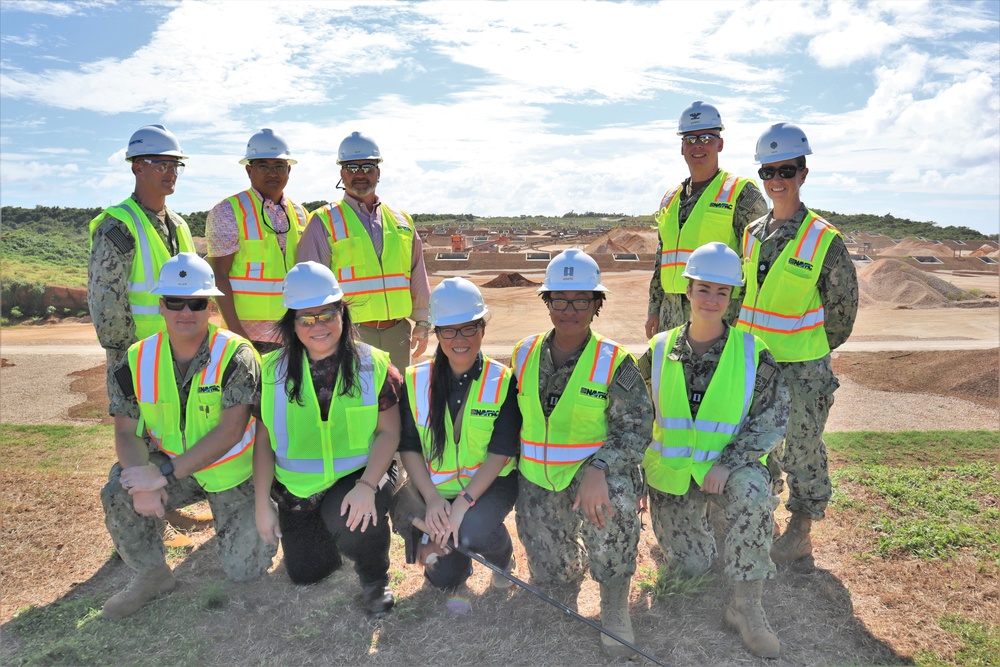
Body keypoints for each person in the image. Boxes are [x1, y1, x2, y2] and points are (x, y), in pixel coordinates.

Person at [100, 253, 275, 619]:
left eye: (196, 302)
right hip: (171, 466)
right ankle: (151, 575)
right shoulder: (135, 358)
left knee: (246, 572)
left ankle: (264, 510)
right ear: (161, 305)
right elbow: (126, 430)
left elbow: (230, 431)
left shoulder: (236, 355)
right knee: (119, 490)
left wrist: (162, 474)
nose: (185, 311)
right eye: (174, 301)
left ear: (210, 306)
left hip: (231, 473)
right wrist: (143, 481)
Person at [638, 242, 790, 658]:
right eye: (704, 288)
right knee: (692, 566)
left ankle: (746, 607)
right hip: (672, 473)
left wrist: (727, 463)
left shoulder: (752, 352)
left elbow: (774, 418)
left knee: (754, 493)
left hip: (728, 472)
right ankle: (694, 534)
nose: (711, 299)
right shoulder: (656, 351)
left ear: (731, 297)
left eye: (722, 292)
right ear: (687, 290)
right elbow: (632, 419)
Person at [511, 249, 653, 658]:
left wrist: (601, 469)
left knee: (615, 505)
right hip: (540, 479)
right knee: (553, 576)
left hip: (590, 477)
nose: (569, 309)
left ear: (596, 305)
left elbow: (636, 427)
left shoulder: (614, 360)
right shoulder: (524, 352)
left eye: (581, 300)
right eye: (559, 299)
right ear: (547, 302)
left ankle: (613, 602)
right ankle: (568, 570)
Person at [737, 123, 859, 565]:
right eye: (768, 172)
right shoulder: (751, 233)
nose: (776, 181)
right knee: (758, 444)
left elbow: (841, 314)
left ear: (803, 174)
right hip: (755, 366)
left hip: (803, 370)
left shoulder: (824, 240)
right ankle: (761, 515)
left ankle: (802, 529)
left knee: (801, 448)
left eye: (786, 170)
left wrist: (805, 347)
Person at [253, 261, 401, 617]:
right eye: (306, 318)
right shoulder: (271, 371)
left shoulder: (375, 364)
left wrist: (367, 486)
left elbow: (389, 432)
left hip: (362, 475)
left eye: (327, 314)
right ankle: (327, 527)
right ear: (292, 322)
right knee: (307, 573)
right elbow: (263, 441)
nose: (318, 326)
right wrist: (262, 505)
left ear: (342, 313)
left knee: (353, 516)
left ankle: (374, 577)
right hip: (299, 487)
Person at [89, 124, 202, 548]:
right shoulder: (118, 226)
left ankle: (167, 510)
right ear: (137, 166)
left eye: (175, 164)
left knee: (170, 433)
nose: (170, 171)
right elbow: (107, 305)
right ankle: (137, 530)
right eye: (160, 163)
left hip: (180, 355)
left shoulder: (179, 225)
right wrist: (129, 362)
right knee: (136, 438)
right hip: (135, 357)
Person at [397, 278, 520, 590]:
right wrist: (433, 499)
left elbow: (501, 450)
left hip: (491, 486)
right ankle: (448, 550)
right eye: (449, 330)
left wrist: (463, 502)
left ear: (482, 329)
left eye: (469, 328)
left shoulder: (502, 380)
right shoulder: (415, 381)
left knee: (471, 531)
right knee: (445, 580)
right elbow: (409, 446)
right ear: (438, 333)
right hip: (436, 488)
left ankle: (502, 555)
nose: (459, 338)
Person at [297, 131, 431, 370]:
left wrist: (422, 321)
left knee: (397, 401)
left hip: (398, 332)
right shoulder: (324, 220)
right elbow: (310, 288)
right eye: (352, 167)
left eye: (368, 167)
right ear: (342, 174)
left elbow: (417, 273)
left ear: (378, 173)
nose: (360, 174)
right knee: (355, 403)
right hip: (350, 334)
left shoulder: (401, 220)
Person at [646, 101, 769, 339]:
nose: (698, 145)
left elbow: (758, 262)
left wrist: (742, 316)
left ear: (720, 143)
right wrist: (654, 309)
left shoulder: (741, 193)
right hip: (670, 315)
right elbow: (662, 260)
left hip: (719, 315)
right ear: (682, 147)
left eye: (706, 138)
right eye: (690, 139)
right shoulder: (670, 199)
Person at [206, 129, 309, 355]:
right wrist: (236, 334)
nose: (272, 173)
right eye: (263, 165)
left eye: (279, 166)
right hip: (248, 334)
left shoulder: (301, 214)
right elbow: (218, 275)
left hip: (294, 332)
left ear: (288, 170)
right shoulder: (228, 211)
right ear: (249, 169)